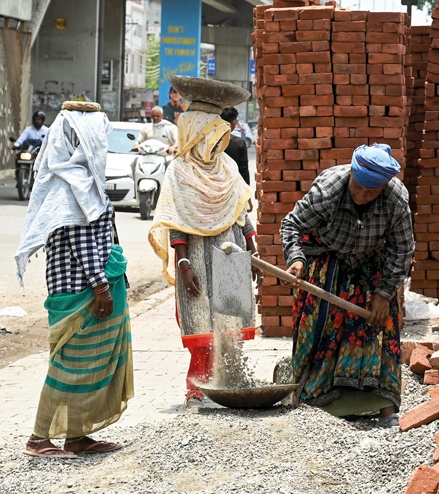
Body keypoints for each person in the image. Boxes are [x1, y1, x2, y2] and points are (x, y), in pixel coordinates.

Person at [15, 101, 132, 458]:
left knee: (92, 363)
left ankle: (77, 435)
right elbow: (82, 242)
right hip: (81, 291)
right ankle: (39, 438)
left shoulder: (82, 180)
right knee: (71, 366)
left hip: (93, 286)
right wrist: (100, 287)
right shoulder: (72, 185)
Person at [280, 143, 414, 427]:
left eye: (371, 192)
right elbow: (291, 225)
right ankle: (312, 400)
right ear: (352, 174)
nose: (363, 197)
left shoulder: (395, 198)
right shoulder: (327, 190)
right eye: (359, 189)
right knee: (317, 323)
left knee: (381, 323)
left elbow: (403, 250)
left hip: (372, 261)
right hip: (327, 255)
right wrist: (297, 259)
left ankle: (384, 406)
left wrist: (383, 293)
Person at [149, 77, 260, 403]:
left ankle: (231, 381)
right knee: (201, 324)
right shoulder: (179, 171)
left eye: (220, 139)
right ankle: (198, 388)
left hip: (231, 250)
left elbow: (240, 210)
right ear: (195, 135)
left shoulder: (226, 166)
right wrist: (182, 264)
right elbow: (176, 220)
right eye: (212, 139)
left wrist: (252, 250)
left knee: (230, 319)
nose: (217, 146)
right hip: (194, 255)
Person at [220, 107, 250, 185]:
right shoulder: (239, 143)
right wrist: (247, 190)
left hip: (213, 186)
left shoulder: (210, 141)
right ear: (233, 123)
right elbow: (244, 170)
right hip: (234, 186)